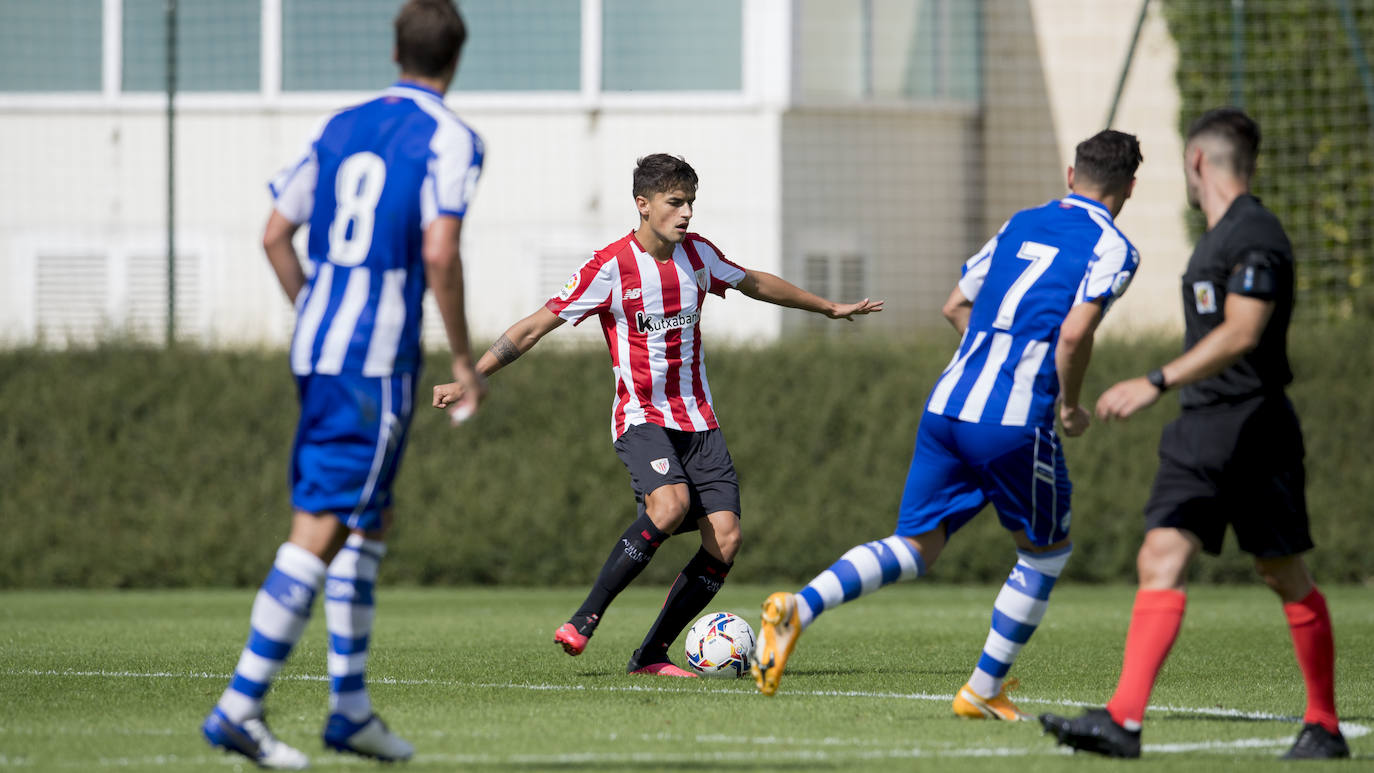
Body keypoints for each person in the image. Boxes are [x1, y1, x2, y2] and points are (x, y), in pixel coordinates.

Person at [433, 153, 882, 676]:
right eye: (675, 202)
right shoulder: (610, 266)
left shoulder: (699, 255)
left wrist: (827, 307)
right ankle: (585, 618)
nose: (687, 212)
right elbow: (537, 325)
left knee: (728, 538)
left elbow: (754, 282)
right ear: (643, 205)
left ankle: (650, 655)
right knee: (668, 507)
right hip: (641, 416)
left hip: (700, 422)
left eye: (691, 201)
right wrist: (474, 374)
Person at [752, 131, 1145, 721]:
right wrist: (1069, 406)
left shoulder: (1021, 222)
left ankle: (800, 607)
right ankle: (983, 690)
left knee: (916, 545)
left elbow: (954, 304)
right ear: (1130, 188)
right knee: (1044, 556)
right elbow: (1072, 334)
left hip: (948, 403)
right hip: (1011, 419)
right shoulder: (1114, 247)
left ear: (1071, 175)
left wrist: (988, 359)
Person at [200, 1, 485, 768]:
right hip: (373, 357)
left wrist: (315, 311)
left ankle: (350, 708)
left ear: (395, 49)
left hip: (319, 346)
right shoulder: (451, 136)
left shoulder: (337, 125)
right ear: (454, 60)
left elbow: (272, 233)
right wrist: (464, 360)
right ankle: (240, 704)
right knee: (324, 526)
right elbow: (439, 252)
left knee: (369, 519)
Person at [1040, 108, 1347, 759]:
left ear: (1198, 162)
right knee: (1161, 556)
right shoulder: (1216, 238)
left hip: (1253, 425)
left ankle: (1323, 722)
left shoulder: (1255, 233)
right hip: (1201, 430)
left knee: (1282, 570)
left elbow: (1243, 331)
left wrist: (1155, 379)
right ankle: (1123, 719)